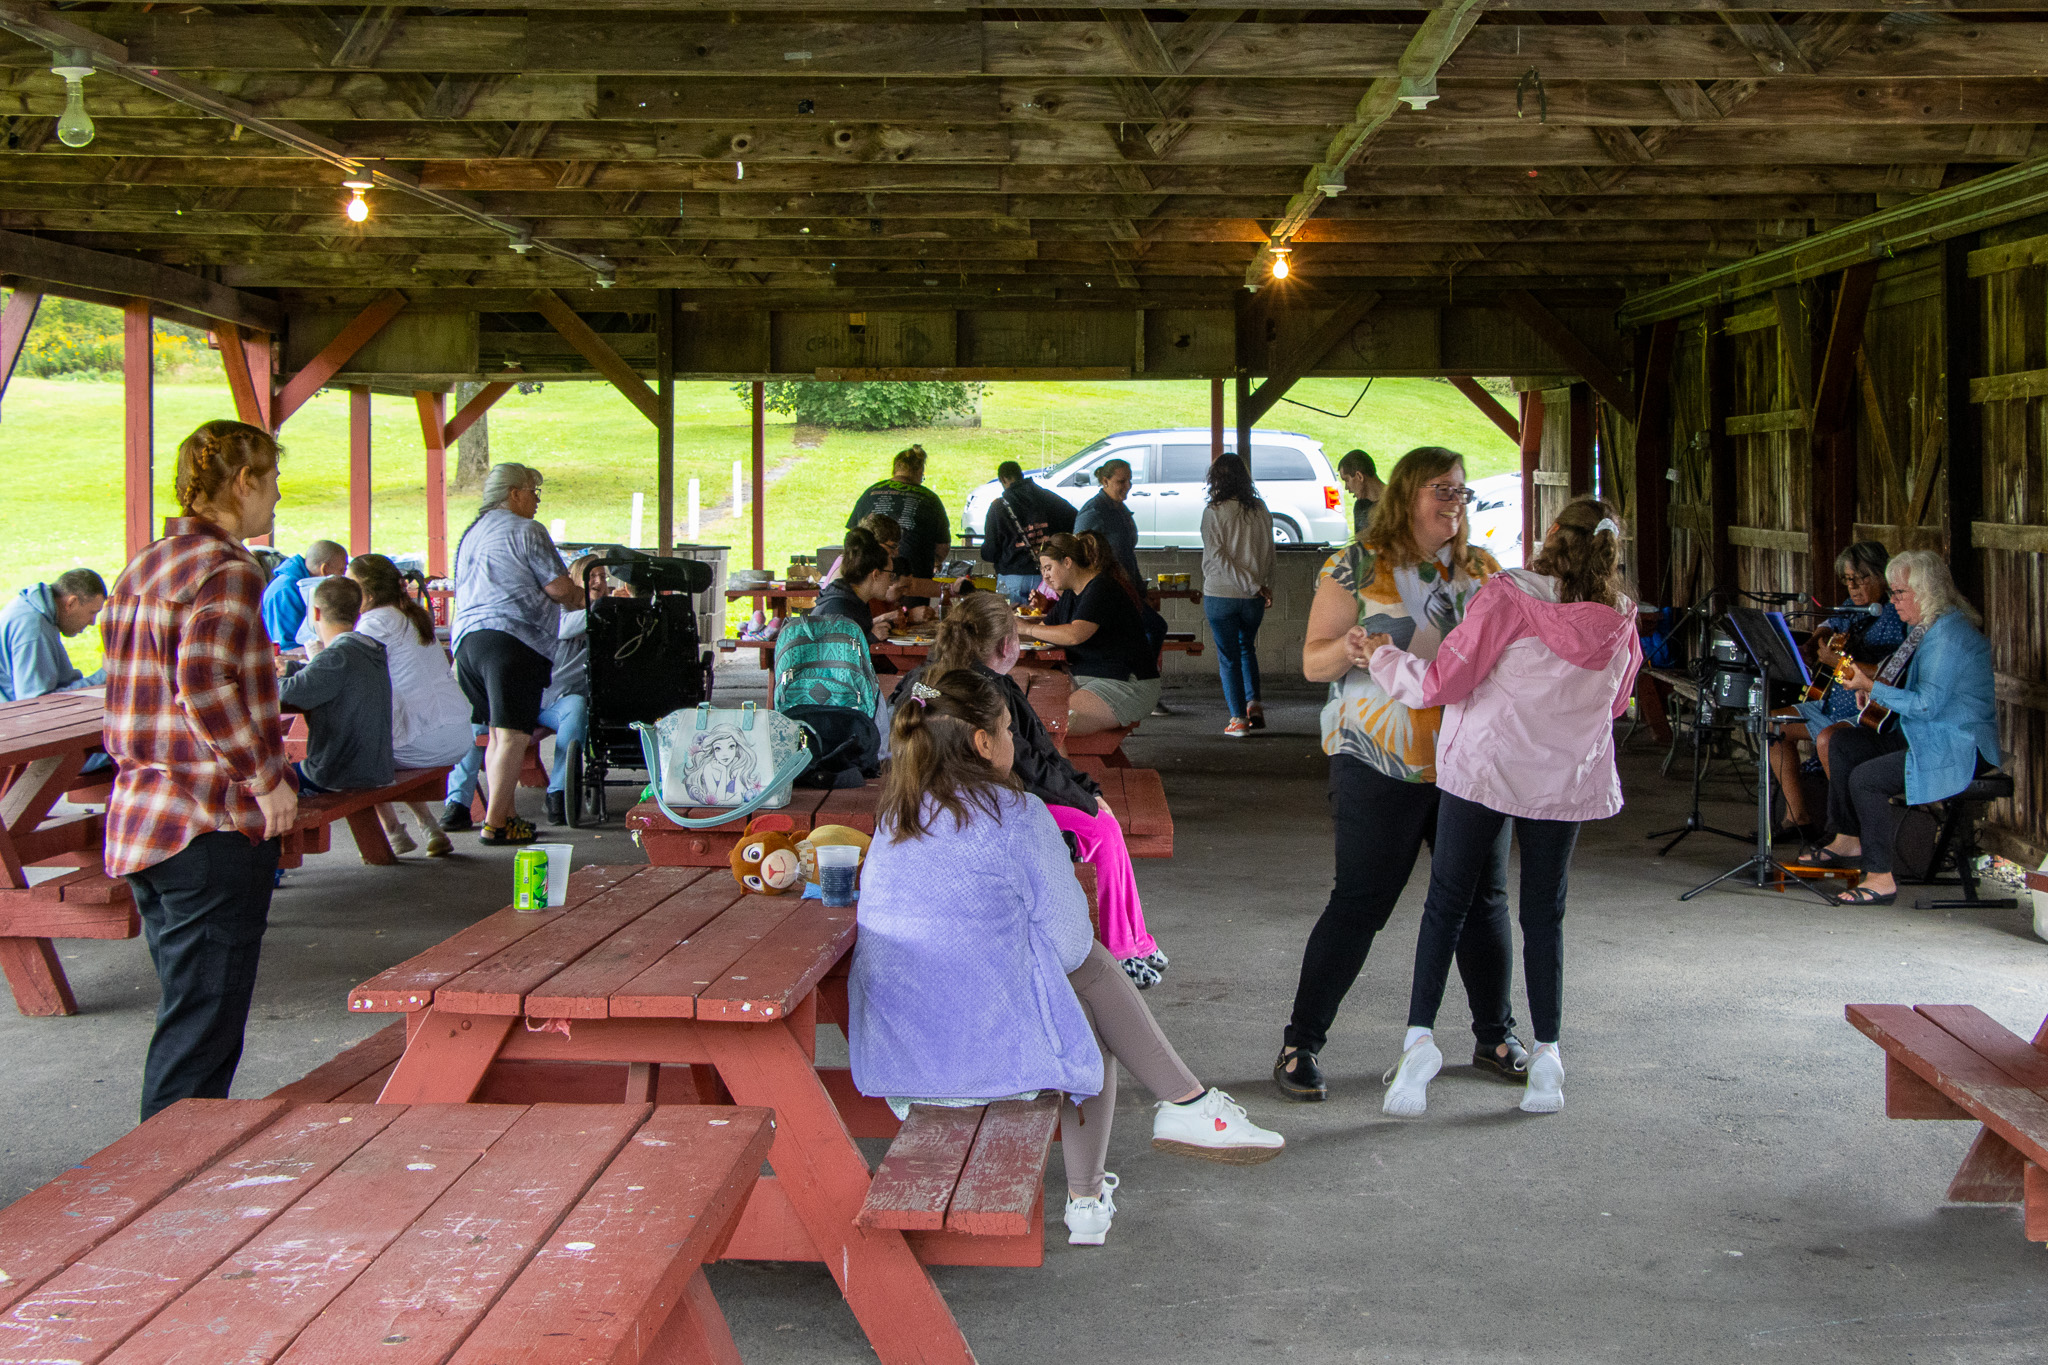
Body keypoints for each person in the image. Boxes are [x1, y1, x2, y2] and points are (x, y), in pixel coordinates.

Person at [848, 667, 1283, 1248]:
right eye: (1009, 730)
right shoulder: (1016, 816)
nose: (1015, 741)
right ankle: (1137, 1148)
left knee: (1081, 1001)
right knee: (1091, 994)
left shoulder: (893, 817)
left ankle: (1158, 1134)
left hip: (897, 1054)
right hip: (981, 1058)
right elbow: (1073, 946)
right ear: (983, 743)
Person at [1370, 498, 1642, 1117]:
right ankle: (1547, 1058)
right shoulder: (1620, 618)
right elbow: (1618, 702)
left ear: (1552, 535)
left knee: (1447, 903)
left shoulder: (1509, 596)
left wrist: (1382, 657)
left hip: (1485, 770)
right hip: (1562, 782)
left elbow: (1443, 681)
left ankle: (1419, 1045)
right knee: (1544, 917)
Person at [1275, 446, 1524, 1103]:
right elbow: (1313, 663)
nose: (1456, 501)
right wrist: (1349, 646)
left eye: (1462, 491)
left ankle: (1495, 1035)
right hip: (1376, 758)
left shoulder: (1485, 571)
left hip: (1468, 762)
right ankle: (1301, 1042)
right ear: (1408, 493)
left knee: (1483, 900)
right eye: (1443, 488)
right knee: (1361, 901)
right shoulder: (1356, 564)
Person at [102, 419, 296, 1121]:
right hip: (207, 822)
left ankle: (168, 1159)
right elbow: (204, 682)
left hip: (142, 819)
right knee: (200, 1034)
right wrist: (266, 779)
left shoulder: (145, 563)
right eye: (272, 480)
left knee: (188, 1015)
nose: (277, 496)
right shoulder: (230, 569)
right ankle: (167, 1170)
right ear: (243, 482)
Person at [895, 592, 1170, 988]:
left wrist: (1086, 793)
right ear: (1007, 645)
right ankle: (1122, 948)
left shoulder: (922, 682)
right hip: (999, 802)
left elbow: (903, 712)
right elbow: (1034, 765)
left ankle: (1137, 939)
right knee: (1101, 829)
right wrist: (1088, 799)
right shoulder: (992, 691)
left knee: (1100, 823)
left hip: (932, 796)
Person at [1794, 550, 2001, 907]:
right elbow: (1914, 689)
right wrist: (1876, 692)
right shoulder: (1924, 627)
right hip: (1924, 732)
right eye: (1893, 592)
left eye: (1900, 592)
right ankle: (1848, 838)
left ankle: (1880, 878)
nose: (1893, 601)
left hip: (1958, 744)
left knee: (1867, 779)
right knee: (1843, 743)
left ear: (1927, 591)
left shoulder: (1947, 636)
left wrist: (1871, 686)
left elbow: (1926, 704)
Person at [449, 463, 585, 846]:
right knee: (512, 737)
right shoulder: (528, 530)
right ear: (514, 493)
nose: (537, 500)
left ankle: (507, 815)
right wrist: (583, 597)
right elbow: (558, 587)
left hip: (468, 644)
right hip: (512, 641)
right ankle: (495, 823)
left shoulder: (472, 532)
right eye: (533, 491)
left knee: (497, 733)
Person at [1767, 541, 1905, 842]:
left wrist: (1839, 663)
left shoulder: (1897, 615)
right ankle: (1797, 818)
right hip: (1831, 702)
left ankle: (1843, 830)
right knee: (1774, 725)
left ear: (1881, 574)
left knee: (1831, 742)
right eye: (1847, 579)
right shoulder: (1855, 608)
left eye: (1860, 578)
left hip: (1866, 713)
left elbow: (1892, 671)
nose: (1852, 587)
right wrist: (1813, 642)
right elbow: (1832, 622)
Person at [349, 554, 470, 856]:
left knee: (349, 753)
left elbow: (344, 672)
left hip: (424, 740)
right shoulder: (413, 616)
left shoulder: (375, 622)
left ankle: (392, 832)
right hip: (458, 733)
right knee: (380, 742)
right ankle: (428, 825)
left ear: (369, 595)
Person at [1019, 532, 1159, 737]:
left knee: (1047, 725)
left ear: (1067, 562)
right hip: (1088, 676)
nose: (1045, 576)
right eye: (1042, 570)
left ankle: (1056, 760)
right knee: (1021, 682)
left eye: (1048, 568)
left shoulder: (1102, 588)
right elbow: (1043, 631)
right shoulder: (1071, 594)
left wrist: (1026, 628)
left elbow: (1075, 634)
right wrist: (999, 631)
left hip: (1126, 683)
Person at [279, 577, 394, 798]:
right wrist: (290, 668)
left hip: (336, 774)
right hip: (375, 769)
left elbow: (288, 695)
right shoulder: (366, 650)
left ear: (316, 612)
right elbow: (326, 676)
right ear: (358, 614)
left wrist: (268, 679)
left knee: (266, 787)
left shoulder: (337, 656)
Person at [1199, 453, 1275, 739]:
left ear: (1215, 480)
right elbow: (1270, 551)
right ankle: (1254, 704)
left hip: (1220, 595)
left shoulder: (1214, 511)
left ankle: (1238, 720)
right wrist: (1264, 585)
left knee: (1228, 657)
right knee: (1246, 649)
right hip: (1254, 598)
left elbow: (1217, 556)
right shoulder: (1260, 509)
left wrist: (1251, 585)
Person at [847, 444, 950, 601]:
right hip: (913, 581)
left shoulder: (870, 493)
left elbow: (853, 536)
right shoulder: (930, 499)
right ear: (919, 471)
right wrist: (935, 562)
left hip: (868, 583)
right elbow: (942, 547)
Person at [0, 568, 107, 701]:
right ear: (71, 603)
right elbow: (36, 702)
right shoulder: (34, 628)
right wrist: (105, 675)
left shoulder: (37, 609)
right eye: (92, 612)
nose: (92, 622)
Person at [982, 460, 1076, 605]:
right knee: (1047, 617)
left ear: (1003, 479)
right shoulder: (1048, 498)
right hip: (1047, 577)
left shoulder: (998, 507)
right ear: (1021, 475)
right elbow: (1075, 520)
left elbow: (990, 551)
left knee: (1014, 619)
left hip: (1012, 578)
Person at [811, 529, 898, 641]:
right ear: (875, 574)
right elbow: (839, 650)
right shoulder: (840, 609)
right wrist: (871, 638)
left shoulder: (855, 601)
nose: (891, 582)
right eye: (890, 575)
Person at [259, 539, 345, 647]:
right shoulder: (285, 591)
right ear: (325, 569)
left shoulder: (306, 585)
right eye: (341, 570)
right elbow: (285, 646)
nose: (343, 576)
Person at [1338, 450, 1383, 539]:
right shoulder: (1360, 507)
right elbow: (1360, 543)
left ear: (1359, 476)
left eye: (1347, 480)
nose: (1346, 487)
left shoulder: (1396, 502)